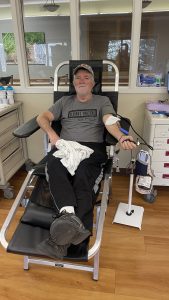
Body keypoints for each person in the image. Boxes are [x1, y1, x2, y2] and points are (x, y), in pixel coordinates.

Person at [36, 63, 136, 258]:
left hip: (91, 149)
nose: (81, 80)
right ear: (73, 83)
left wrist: (121, 137)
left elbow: (109, 121)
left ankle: (65, 240)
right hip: (66, 146)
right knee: (54, 166)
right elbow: (42, 117)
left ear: (93, 83)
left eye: (86, 77)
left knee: (83, 176)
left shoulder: (102, 101)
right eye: (78, 78)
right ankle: (70, 221)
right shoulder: (64, 101)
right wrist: (52, 135)